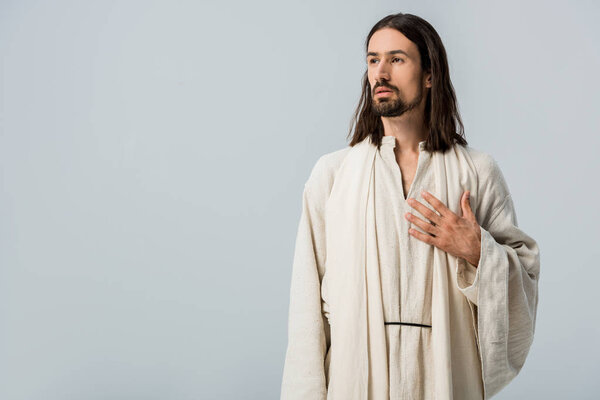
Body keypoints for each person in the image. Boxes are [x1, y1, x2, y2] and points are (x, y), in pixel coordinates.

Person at [280, 12, 540, 400]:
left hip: (445, 380)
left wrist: (477, 250)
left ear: (430, 74)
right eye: (373, 60)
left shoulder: (477, 173)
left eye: (396, 59)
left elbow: (524, 281)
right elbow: (306, 308)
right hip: (356, 384)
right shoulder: (333, 176)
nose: (380, 73)